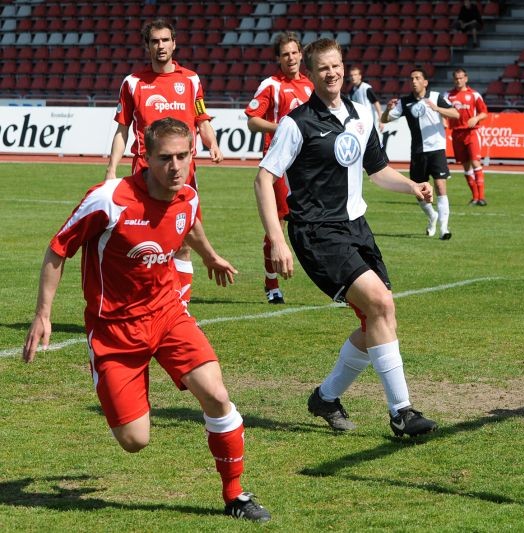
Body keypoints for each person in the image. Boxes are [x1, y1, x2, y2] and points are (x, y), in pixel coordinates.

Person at [23, 118, 270, 522]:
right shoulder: (109, 199)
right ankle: (111, 378)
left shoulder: (187, 195)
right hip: (114, 331)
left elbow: (188, 223)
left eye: (183, 156)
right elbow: (57, 250)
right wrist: (42, 315)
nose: (176, 166)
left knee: (217, 395)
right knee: (135, 440)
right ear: (145, 158)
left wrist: (209, 256)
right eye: (165, 158)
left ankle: (236, 494)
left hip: (167, 314)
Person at [253, 38, 438, 438]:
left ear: (343, 67)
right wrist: (277, 238)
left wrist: (412, 187)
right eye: (323, 69)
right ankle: (401, 413)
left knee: (378, 318)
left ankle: (325, 397)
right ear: (312, 74)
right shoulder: (296, 122)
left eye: (336, 66)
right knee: (380, 304)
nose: (332, 73)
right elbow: (264, 179)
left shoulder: (359, 114)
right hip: (317, 233)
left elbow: (377, 170)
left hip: (357, 228)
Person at [105, 18, 223, 305]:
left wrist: (213, 144)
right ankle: (139, 301)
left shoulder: (191, 80)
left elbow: (202, 119)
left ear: (174, 43)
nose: (161, 46)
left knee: (183, 241)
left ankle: (179, 308)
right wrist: (111, 171)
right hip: (144, 173)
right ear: (147, 46)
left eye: (165, 40)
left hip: (183, 173)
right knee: (141, 241)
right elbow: (122, 129)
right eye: (155, 41)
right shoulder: (132, 83)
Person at [245, 31, 314, 305]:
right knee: (279, 224)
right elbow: (252, 119)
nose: (291, 58)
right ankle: (271, 283)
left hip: (307, 165)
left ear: (301, 54)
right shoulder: (271, 84)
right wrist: (284, 129)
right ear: (279, 58)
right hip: (279, 164)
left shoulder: (311, 85)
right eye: (285, 54)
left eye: (295, 52)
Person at [381, 68, 460, 240]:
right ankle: (432, 216)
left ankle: (444, 229)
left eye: (417, 78)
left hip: (437, 149)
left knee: (440, 187)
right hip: (418, 153)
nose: (414, 81)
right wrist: (387, 110)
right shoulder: (405, 102)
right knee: (419, 192)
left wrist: (437, 108)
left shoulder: (436, 97)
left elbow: (455, 113)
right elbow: (384, 120)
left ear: (425, 82)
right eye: (412, 79)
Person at [447, 68, 489, 206]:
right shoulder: (448, 95)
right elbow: (441, 111)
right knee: (466, 167)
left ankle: (481, 197)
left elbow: (484, 112)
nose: (459, 81)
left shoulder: (474, 95)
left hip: (471, 132)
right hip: (457, 133)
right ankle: (475, 197)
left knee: (476, 162)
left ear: (466, 78)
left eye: (461, 78)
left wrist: (476, 118)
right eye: (456, 78)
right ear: (454, 80)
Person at [348, 66, 384, 142]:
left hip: (371, 123)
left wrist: (381, 120)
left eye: (355, 75)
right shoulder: (351, 92)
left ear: (360, 76)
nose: (353, 77)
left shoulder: (366, 88)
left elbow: (376, 103)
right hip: (360, 124)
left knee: (376, 144)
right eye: (351, 75)